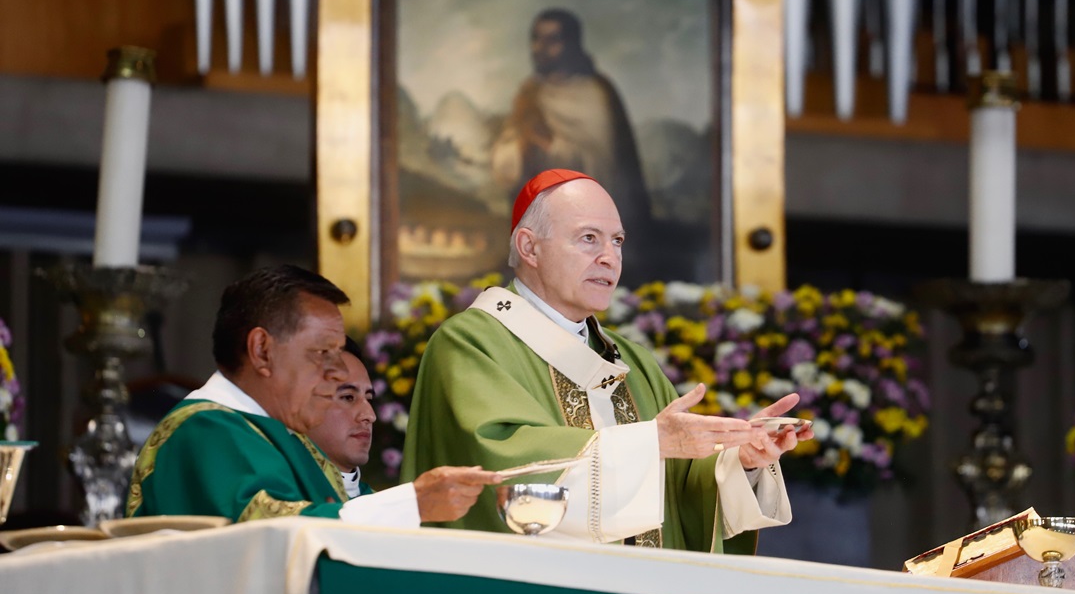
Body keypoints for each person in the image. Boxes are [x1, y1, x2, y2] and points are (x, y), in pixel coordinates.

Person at [402, 170, 812, 553]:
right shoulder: (471, 344)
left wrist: (740, 461)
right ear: (529, 247)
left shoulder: (633, 362)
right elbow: (503, 472)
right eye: (588, 238)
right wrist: (650, 443)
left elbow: (680, 491)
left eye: (617, 241)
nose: (609, 257)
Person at [126, 264, 500, 526]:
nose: (336, 371)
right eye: (323, 353)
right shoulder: (205, 430)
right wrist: (411, 503)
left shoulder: (285, 439)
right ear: (261, 351)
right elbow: (267, 531)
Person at [491, 9, 654, 249]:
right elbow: (506, 154)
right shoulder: (530, 93)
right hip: (539, 228)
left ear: (571, 44)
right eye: (536, 39)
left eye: (551, 41)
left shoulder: (596, 93)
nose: (540, 48)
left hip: (590, 231)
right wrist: (521, 148)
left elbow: (605, 167)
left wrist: (549, 146)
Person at [305, 337, 375, 499]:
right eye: (348, 397)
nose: (370, 416)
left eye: (369, 399)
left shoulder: (385, 508)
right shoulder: (283, 499)